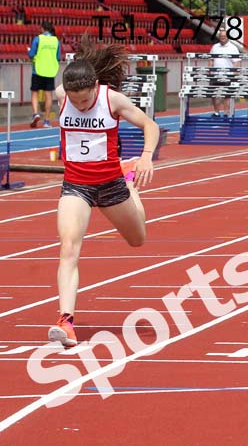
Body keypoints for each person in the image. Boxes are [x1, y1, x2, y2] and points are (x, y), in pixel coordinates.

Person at [48, 41, 160, 347]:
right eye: (76, 101)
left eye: (86, 101)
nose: (82, 106)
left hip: (111, 184)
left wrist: (147, 155)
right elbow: (65, 90)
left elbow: (150, 125)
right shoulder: (63, 96)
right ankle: (66, 321)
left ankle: (132, 186)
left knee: (138, 239)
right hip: (76, 185)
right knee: (69, 247)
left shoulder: (112, 99)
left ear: (95, 87)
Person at [28, 21, 61, 128]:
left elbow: (31, 54)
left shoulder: (38, 39)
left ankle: (36, 113)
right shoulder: (56, 41)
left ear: (42, 29)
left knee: (34, 92)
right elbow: (58, 57)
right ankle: (46, 121)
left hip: (37, 69)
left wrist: (30, 53)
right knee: (48, 95)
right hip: (50, 70)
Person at [209, 29, 241, 117]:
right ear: (219, 37)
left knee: (227, 95)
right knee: (214, 94)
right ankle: (216, 112)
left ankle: (226, 112)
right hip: (215, 75)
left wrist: (235, 76)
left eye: (224, 36)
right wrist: (210, 70)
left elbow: (236, 62)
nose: (223, 38)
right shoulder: (215, 47)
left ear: (227, 37)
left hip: (228, 75)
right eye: (221, 36)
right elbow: (211, 60)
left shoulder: (233, 48)